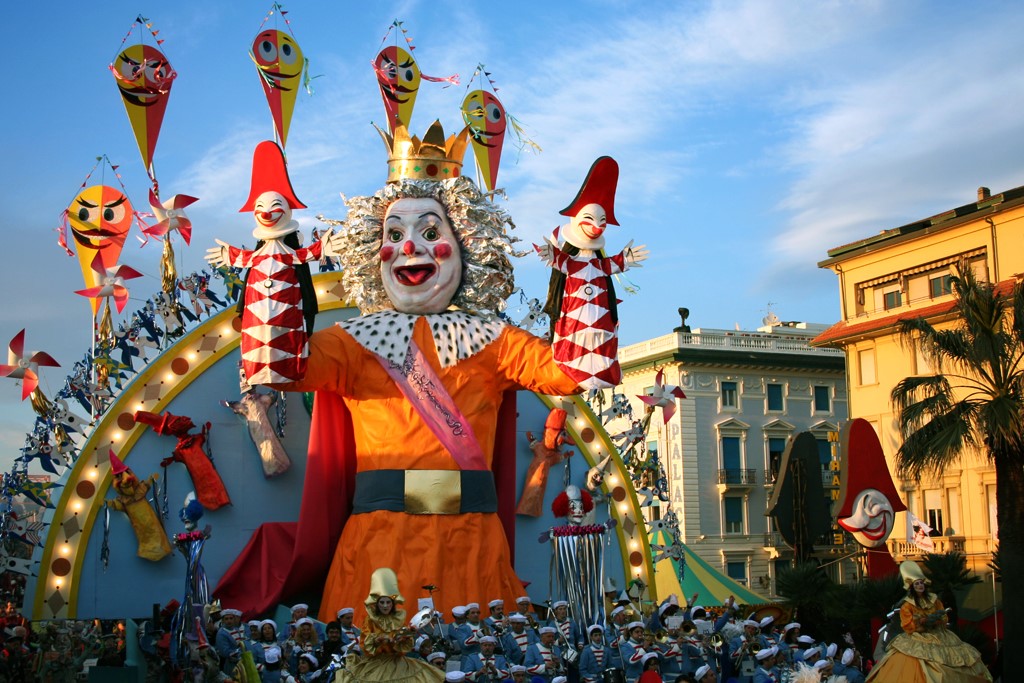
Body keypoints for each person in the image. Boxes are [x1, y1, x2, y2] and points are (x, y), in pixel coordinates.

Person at [214, 122, 582, 623]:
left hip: (470, 544)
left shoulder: (496, 342)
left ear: (467, 243)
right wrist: (272, 260)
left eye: (430, 233)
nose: (409, 247)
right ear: (374, 252)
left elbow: (571, 373)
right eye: (394, 234)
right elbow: (280, 367)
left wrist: (586, 273)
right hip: (378, 546)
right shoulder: (351, 343)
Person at [865, 561, 991, 682]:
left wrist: (937, 619)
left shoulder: (934, 600)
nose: (920, 586)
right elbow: (907, 624)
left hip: (940, 636)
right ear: (912, 587)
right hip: (916, 638)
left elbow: (943, 616)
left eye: (921, 583)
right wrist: (921, 621)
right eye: (917, 584)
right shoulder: (907, 606)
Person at [335, 567, 443, 682]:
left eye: (388, 602)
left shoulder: (398, 619)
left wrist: (406, 637)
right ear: (377, 604)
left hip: (397, 663)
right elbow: (364, 644)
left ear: (393, 604)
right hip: (376, 663)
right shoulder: (370, 620)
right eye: (382, 602)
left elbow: (405, 646)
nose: (385, 606)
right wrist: (378, 639)